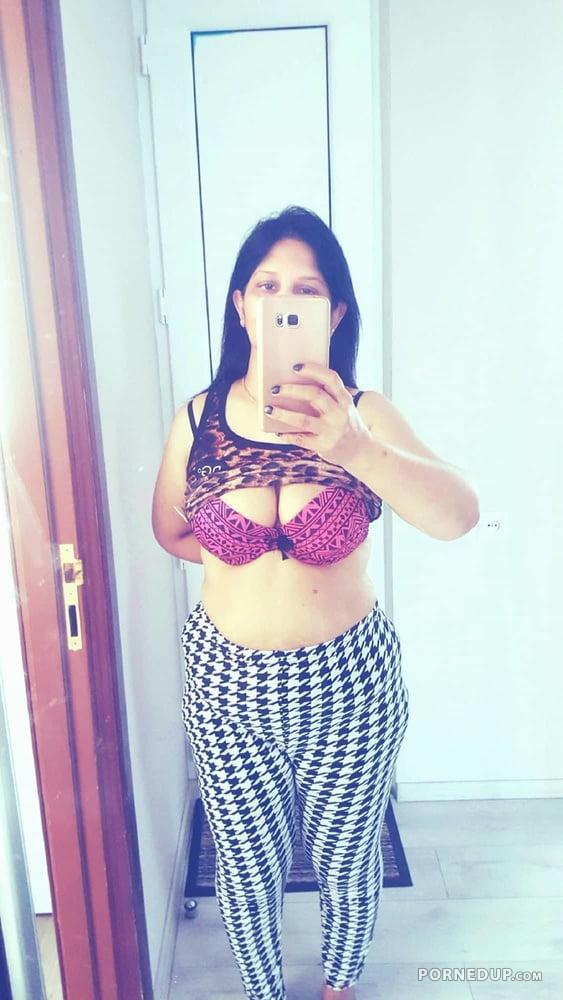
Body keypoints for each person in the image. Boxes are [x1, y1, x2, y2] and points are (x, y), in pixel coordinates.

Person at [152, 206, 479, 1000]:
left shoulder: (365, 414)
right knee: (244, 864)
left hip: (349, 680)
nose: (282, 301)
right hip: (226, 683)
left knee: (346, 855)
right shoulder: (197, 417)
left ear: (333, 314)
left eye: (304, 289)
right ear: (240, 306)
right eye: (266, 286)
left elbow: (457, 517)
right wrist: (245, 566)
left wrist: (352, 448)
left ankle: (339, 986)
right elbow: (169, 530)